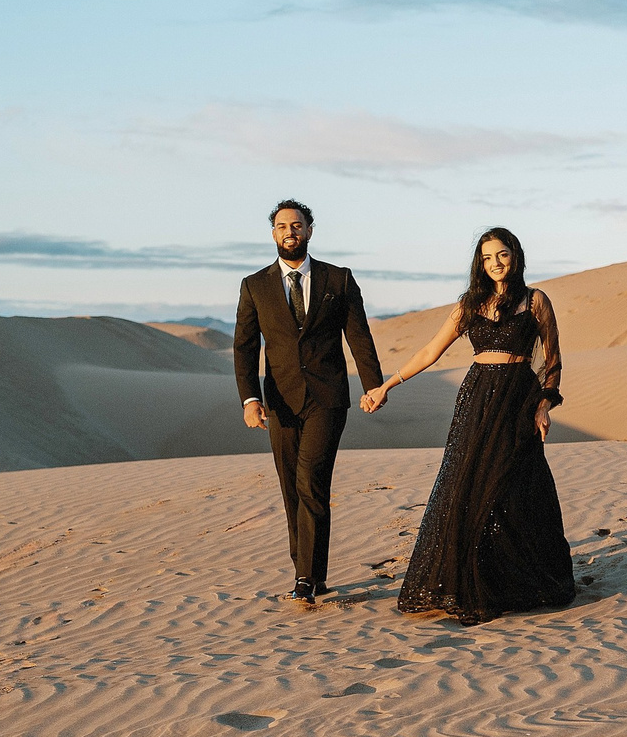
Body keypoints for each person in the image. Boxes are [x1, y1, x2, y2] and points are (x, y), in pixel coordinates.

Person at [361, 227, 574, 624]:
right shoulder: (469, 304)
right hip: (476, 400)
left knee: (515, 488)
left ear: (516, 256)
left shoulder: (536, 301)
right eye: (488, 256)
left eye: (503, 254)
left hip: (517, 401)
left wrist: (544, 404)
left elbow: (553, 361)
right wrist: (388, 384)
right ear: (480, 262)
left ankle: (516, 582)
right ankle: (469, 580)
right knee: (467, 487)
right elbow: (430, 350)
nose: (495, 263)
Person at [233, 199, 384, 605]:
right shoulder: (255, 286)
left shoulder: (339, 279)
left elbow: (359, 336)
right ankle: (309, 571)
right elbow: (245, 347)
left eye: (297, 225)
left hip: (327, 399)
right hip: (279, 401)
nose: (290, 232)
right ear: (273, 234)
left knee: (311, 482)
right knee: (290, 490)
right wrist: (250, 398)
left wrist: (374, 385)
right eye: (282, 226)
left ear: (310, 231)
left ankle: (305, 578)